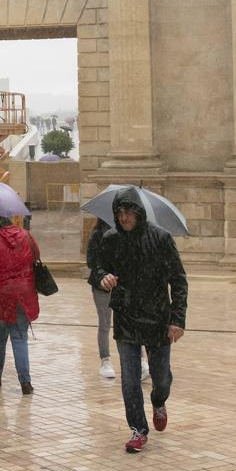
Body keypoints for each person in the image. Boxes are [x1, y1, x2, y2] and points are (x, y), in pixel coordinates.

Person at [93, 187, 188, 454]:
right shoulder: (110, 239)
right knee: (130, 380)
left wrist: (177, 319)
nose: (124, 218)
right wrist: (103, 276)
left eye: (128, 212)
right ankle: (138, 429)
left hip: (158, 319)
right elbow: (98, 268)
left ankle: (159, 401)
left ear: (139, 212)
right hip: (126, 318)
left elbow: (179, 281)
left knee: (160, 379)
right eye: (120, 213)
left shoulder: (161, 239)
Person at [0, 215, 39, 394]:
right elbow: (36, 257)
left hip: (0, 296)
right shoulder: (26, 236)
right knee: (19, 338)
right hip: (23, 294)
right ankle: (25, 382)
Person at [86, 219, 150, 381]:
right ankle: (105, 361)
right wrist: (105, 272)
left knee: (132, 321)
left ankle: (141, 361)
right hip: (102, 286)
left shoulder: (128, 233)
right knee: (105, 323)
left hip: (124, 286)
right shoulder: (97, 234)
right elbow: (91, 261)